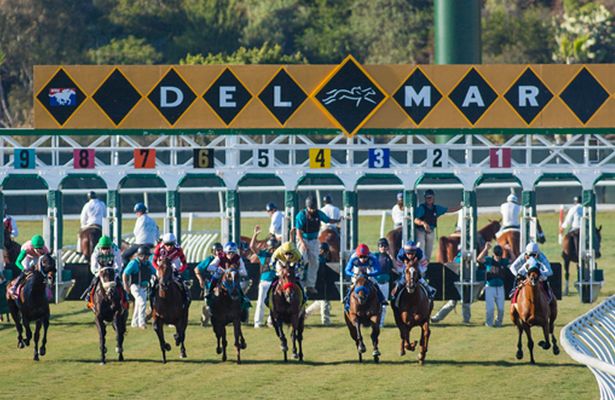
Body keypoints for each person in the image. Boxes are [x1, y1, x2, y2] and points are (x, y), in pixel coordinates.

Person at [295, 196, 340, 295]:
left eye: (314, 208)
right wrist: (302, 243)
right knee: (302, 260)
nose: (312, 210)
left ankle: (310, 285)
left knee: (315, 262)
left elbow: (328, 220)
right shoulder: (301, 215)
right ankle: (300, 282)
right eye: (311, 208)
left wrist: (338, 220)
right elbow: (298, 232)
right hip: (303, 239)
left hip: (314, 240)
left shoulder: (319, 213)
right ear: (307, 207)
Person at [414, 189, 461, 261]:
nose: (429, 199)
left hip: (431, 231)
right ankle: (420, 265)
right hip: (421, 231)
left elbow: (449, 210)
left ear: (433, 198)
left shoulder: (436, 208)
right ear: (425, 198)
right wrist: (423, 223)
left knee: (429, 252)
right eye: (427, 198)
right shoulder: (421, 208)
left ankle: (426, 266)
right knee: (421, 247)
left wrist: (461, 206)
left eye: (430, 197)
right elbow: (415, 219)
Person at [206, 242, 250, 313]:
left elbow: (244, 271)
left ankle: (243, 298)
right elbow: (209, 267)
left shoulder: (238, 258)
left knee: (237, 283)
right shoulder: (220, 256)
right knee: (216, 276)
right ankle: (210, 293)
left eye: (233, 252)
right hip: (221, 273)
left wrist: (236, 271)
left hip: (233, 275)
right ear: (226, 252)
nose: (231, 254)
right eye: (229, 252)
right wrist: (219, 269)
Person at [249, 225, 280, 328]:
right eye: (272, 248)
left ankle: (271, 320)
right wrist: (255, 235)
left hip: (275, 282)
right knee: (261, 302)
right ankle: (258, 322)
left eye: (274, 248)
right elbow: (252, 247)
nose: (273, 250)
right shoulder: (263, 254)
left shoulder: (279, 256)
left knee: (274, 302)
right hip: (264, 281)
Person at [343, 244, 386, 312]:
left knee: (374, 283)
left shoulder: (372, 258)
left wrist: (370, 274)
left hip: (368, 269)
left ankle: (381, 299)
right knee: (353, 285)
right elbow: (347, 270)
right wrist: (354, 274)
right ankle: (347, 300)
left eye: (365, 257)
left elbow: (378, 270)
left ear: (368, 255)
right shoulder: (354, 258)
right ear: (357, 255)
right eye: (361, 257)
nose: (363, 259)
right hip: (357, 270)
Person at [152, 232, 190, 307]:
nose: (169, 247)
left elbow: (184, 263)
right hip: (162, 263)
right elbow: (154, 261)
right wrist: (159, 269)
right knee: (154, 282)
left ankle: (185, 299)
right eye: (167, 244)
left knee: (180, 281)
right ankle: (152, 302)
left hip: (173, 262)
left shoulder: (178, 249)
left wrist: (179, 271)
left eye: (171, 244)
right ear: (163, 243)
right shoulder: (158, 248)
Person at [122, 246, 155, 329]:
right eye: (146, 255)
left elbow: (154, 272)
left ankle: (134, 323)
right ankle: (142, 323)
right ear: (141, 255)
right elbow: (125, 274)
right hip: (134, 286)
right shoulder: (134, 263)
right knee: (142, 302)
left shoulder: (147, 264)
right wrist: (126, 285)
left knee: (138, 304)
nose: (148, 257)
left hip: (144, 287)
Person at [83, 235, 123, 303]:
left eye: (107, 248)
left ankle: (125, 296)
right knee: (95, 281)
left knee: (118, 281)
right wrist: (98, 272)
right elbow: (93, 267)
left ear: (111, 247)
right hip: (101, 268)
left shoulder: (116, 250)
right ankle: (89, 293)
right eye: (103, 248)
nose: (106, 250)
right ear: (100, 247)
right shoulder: (96, 251)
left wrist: (115, 273)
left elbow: (119, 265)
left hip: (112, 268)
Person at [477, 243, 508, 327]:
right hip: (489, 287)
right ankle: (489, 324)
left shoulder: (503, 261)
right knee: (490, 309)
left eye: (500, 255)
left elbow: (514, 259)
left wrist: (509, 249)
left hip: (500, 288)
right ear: (493, 254)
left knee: (501, 309)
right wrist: (486, 249)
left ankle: (498, 323)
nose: (498, 257)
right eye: (497, 255)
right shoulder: (489, 260)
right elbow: (479, 259)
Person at [194, 242, 223, 326]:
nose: (218, 252)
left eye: (220, 250)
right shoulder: (209, 259)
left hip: (221, 284)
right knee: (208, 304)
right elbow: (197, 269)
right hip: (209, 285)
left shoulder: (224, 259)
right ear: (213, 251)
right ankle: (205, 320)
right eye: (217, 250)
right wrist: (200, 280)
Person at [376, 238, 394, 327]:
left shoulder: (388, 258)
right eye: (381, 246)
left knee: (384, 303)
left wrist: (390, 255)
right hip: (376, 283)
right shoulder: (375, 256)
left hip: (385, 283)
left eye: (385, 246)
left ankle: (381, 322)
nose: (383, 248)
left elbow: (394, 266)